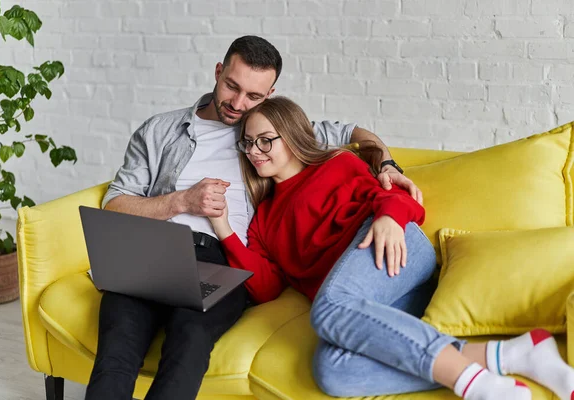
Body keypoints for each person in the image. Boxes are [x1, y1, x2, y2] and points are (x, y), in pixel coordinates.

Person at [85, 35, 423, 400]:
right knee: (117, 347)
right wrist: (181, 201)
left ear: (270, 93)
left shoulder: (266, 131)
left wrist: (386, 163)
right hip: (152, 249)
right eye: (231, 86)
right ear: (218, 72)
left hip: (218, 258)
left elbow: (352, 134)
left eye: (254, 96)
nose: (238, 103)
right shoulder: (158, 131)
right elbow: (115, 204)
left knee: (190, 340)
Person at [207, 96, 574, 400]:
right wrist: (222, 226)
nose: (255, 151)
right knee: (333, 371)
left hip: (394, 249)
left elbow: (403, 198)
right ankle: (512, 354)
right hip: (363, 302)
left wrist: (388, 218)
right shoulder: (264, 219)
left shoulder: (336, 163)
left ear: (290, 135)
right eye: (248, 142)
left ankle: (478, 386)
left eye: (265, 139)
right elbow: (267, 287)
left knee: (328, 308)